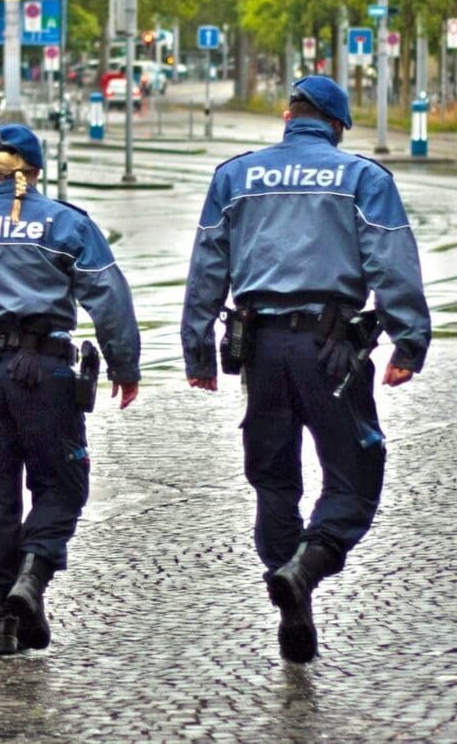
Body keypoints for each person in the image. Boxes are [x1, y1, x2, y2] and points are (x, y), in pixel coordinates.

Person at [181, 76, 431, 663]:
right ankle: (307, 565)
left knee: (273, 479)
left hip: (260, 349)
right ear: (337, 126)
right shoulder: (363, 178)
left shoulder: (235, 177)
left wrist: (196, 350)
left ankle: (290, 588)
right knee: (354, 474)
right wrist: (409, 342)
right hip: (331, 351)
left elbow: (207, 267)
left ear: (288, 117)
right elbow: (390, 262)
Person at [0, 123, 141, 656]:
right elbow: (108, 295)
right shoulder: (66, 224)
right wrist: (125, 366)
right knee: (60, 485)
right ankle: (31, 580)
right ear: (35, 172)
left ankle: (2, 626)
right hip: (47, 373)